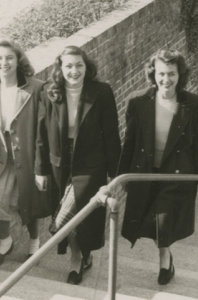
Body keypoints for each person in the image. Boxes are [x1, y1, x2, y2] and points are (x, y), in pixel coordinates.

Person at [117, 49, 198, 286]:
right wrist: (121, 177)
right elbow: (130, 142)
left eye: (171, 74)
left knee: (163, 220)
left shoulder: (193, 104)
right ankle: (166, 255)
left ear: (180, 75)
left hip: (177, 173)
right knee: (149, 221)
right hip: (145, 171)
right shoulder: (137, 102)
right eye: (161, 74)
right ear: (153, 74)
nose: (166, 80)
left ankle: (164, 259)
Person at [35, 46, 121, 285]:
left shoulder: (101, 92)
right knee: (74, 213)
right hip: (59, 164)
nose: (74, 71)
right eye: (69, 66)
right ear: (60, 68)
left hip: (91, 163)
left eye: (79, 65)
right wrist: (40, 169)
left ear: (87, 66)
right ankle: (81, 254)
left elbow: (112, 135)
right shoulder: (48, 92)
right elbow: (41, 134)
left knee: (69, 216)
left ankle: (76, 260)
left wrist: (116, 176)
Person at [0, 39, 52, 267]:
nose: (3, 63)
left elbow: (43, 129)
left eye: (9, 58)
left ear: (18, 61)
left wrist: (41, 165)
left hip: (29, 157)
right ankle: (6, 242)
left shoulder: (37, 88)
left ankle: (34, 244)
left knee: (30, 202)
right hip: (1, 157)